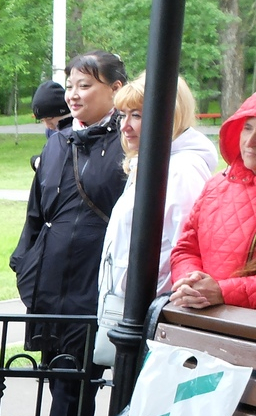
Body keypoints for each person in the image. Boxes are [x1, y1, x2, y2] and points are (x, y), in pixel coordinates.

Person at [10, 51, 126, 416]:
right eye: (70, 85)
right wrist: (24, 266)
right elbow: (35, 215)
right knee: (61, 381)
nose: (74, 95)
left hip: (96, 285)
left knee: (80, 385)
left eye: (85, 85)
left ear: (116, 89)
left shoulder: (128, 144)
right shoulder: (59, 142)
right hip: (51, 282)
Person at [94, 73, 216, 362]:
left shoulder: (182, 170)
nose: (125, 126)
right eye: (123, 115)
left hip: (155, 318)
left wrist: (151, 299)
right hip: (133, 310)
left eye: (137, 115)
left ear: (167, 116)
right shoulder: (152, 163)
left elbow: (184, 249)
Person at [169, 92, 256, 310]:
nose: (251, 141)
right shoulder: (217, 185)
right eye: (247, 128)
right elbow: (186, 249)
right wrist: (190, 280)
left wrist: (222, 291)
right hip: (204, 327)